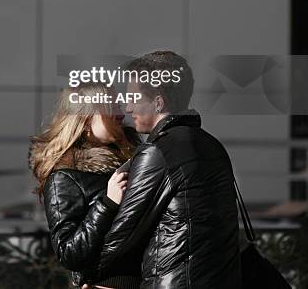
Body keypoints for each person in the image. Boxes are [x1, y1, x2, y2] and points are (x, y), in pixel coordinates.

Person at [81, 51, 242, 289]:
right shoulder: (211, 145)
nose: (127, 107)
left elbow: (122, 235)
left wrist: (87, 277)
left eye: (134, 98)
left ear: (158, 102)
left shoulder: (158, 153)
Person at [29, 82, 142, 289]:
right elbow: (68, 252)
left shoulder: (137, 159)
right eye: (111, 107)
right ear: (86, 118)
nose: (121, 113)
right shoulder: (65, 176)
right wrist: (108, 204)